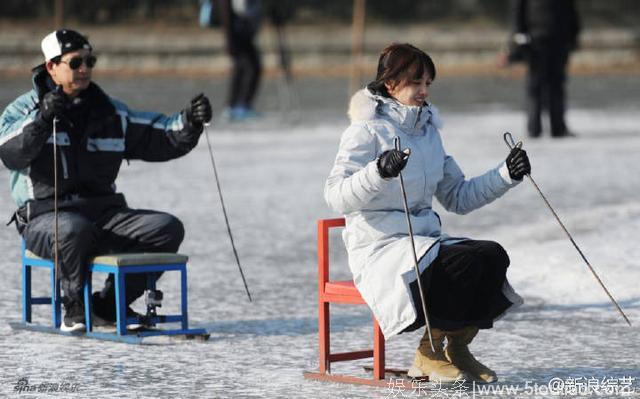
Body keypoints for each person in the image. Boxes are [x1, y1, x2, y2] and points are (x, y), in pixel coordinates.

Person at [324, 43, 531, 383]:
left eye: (428, 84)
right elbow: (335, 196)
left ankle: (457, 348)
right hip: (379, 246)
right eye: (415, 83)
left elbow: (458, 197)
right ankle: (427, 354)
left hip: (422, 241)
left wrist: (506, 174)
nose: (423, 91)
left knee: (490, 255)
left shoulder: (427, 133)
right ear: (390, 84)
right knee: (460, 263)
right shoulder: (365, 131)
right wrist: (378, 171)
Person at [0, 29, 212, 332]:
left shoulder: (108, 111)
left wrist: (190, 121)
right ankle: (74, 308)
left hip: (103, 213)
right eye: (76, 63)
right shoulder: (24, 109)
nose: (85, 69)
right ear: (51, 67)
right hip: (46, 217)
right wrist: (43, 119)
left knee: (165, 229)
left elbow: (158, 135)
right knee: (73, 229)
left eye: (90, 61)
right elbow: (10, 152)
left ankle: (108, 306)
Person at [509, 0, 581, 138]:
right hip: (535, 41)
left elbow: (571, 10)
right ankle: (534, 128)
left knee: (556, 85)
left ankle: (558, 128)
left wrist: (573, 35)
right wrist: (519, 35)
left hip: (559, 40)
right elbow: (518, 10)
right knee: (535, 86)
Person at [219, 0, 262, 121]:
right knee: (252, 67)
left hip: (239, 31)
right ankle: (240, 106)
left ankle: (233, 105)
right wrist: (229, 39)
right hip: (237, 32)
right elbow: (227, 11)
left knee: (241, 68)